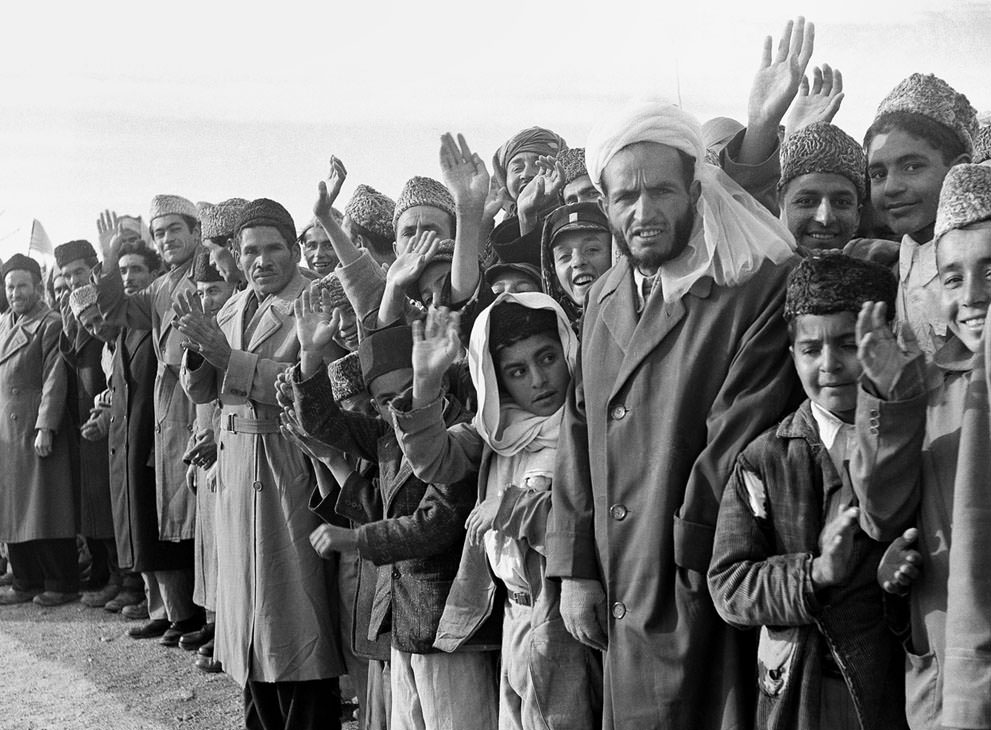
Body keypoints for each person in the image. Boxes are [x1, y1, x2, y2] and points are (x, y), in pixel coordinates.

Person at [546, 99, 797, 729]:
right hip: (616, 580)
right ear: (604, 205)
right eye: (626, 196)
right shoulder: (603, 296)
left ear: (695, 189)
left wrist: (683, 572)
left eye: (661, 190)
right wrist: (575, 570)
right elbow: (578, 431)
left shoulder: (753, 287)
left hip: (701, 579)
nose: (644, 211)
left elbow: (734, 445)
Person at [708, 252, 907, 729]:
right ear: (792, 353)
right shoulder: (765, 459)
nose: (830, 365)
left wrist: (898, 580)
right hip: (799, 693)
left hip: (890, 686)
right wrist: (814, 574)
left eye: (848, 344)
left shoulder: (911, 438)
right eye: (811, 349)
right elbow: (729, 586)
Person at [391, 294, 601, 729]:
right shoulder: (497, 429)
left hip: (563, 618)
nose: (539, 380)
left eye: (548, 358)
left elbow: (586, 524)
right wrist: (426, 383)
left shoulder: (592, 427)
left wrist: (510, 507)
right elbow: (433, 461)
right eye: (517, 371)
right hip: (512, 614)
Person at [177, 198, 344, 729]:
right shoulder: (232, 305)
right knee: (250, 618)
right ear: (236, 252)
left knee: (294, 617)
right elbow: (202, 390)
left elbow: (313, 389)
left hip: (288, 466)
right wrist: (197, 350)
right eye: (250, 250)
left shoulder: (314, 301)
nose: (261, 260)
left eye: (274, 249)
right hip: (236, 472)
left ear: (295, 250)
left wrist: (226, 357)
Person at [289, 315, 499, 730]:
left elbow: (434, 525)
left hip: (450, 624)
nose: (400, 405)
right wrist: (310, 356)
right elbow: (323, 422)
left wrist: (356, 540)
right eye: (386, 400)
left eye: (410, 388)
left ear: (437, 380)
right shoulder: (388, 434)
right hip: (403, 623)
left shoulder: (460, 435)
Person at [852, 163, 991, 730]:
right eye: (952, 278)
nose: (972, 297)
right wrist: (894, 399)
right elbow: (882, 515)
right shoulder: (936, 388)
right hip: (944, 687)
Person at [94, 195, 202, 644]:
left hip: (200, 408)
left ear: (196, 232)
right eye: (159, 232)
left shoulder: (207, 274)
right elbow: (115, 311)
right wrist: (109, 257)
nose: (167, 238)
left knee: (200, 526)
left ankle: (202, 621)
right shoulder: (161, 288)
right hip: (169, 415)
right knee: (173, 522)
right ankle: (182, 616)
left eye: (175, 229)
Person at [864, 72, 977, 356]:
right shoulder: (884, 265)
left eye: (912, 167)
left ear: (958, 170)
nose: (891, 187)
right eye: (878, 174)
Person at [0, 254, 78, 607]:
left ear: (37, 286)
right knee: (13, 508)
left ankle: (60, 582)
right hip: (7, 429)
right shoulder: (5, 323)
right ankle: (25, 579)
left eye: (22, 286)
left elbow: (54, 378)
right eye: (10, 286)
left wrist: (45, 425)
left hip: (32, 424)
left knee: (46, 507)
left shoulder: (50, 323)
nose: (16, 293)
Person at [55, 239, 120, 608]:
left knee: (111, 505)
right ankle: (104, 573)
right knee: (94, 503)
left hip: (112, 409)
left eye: (78, 271)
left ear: (93, 267)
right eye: (66, 275)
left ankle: (120, 577)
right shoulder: (72, 311)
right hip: (87, 414)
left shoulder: (106, 302)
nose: (73, 280)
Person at [182, 250, 237, 671]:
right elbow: (197, 396)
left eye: (214, 289)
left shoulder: (236, 325)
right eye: (201, 292)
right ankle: (215, 624)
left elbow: (232, 397)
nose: (207, 300)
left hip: (232, 448)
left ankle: (229, 634)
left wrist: (216, 438)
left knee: (230, 551)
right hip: (207, 450)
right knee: (211, 547)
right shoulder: (205, 327)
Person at [777, 122, 867, 252]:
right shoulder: (754, 263)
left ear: (858, 215)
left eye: (841, 202)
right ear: (780, 207)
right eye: (806, 201)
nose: (825, 219)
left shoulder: (885, 261)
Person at [539, 202, 614, 326]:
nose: (578, 262)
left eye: (592, 249)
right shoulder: (549, 333)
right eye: (564, 256)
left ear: (616, 254)